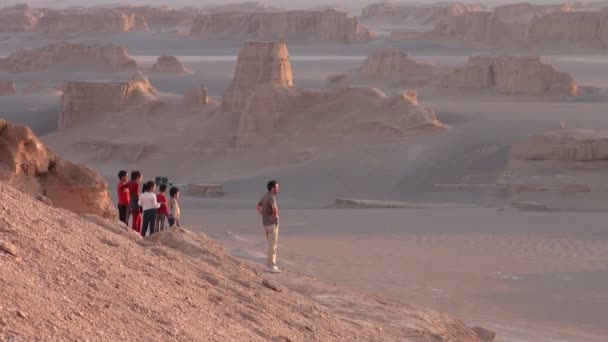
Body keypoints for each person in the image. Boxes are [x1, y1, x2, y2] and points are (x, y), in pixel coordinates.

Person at [257, 180, 280, 273]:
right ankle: (271, 266)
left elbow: (258, 206)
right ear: (272, 188)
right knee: (273, 245)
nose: (278, 189)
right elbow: (274, 209)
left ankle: (270, 265)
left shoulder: (264, 197)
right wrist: (274, 216)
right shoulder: (271, 197)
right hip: (272, 224)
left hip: (266, 224)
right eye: (277, 187)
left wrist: (263, 214)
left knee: (271, 244)